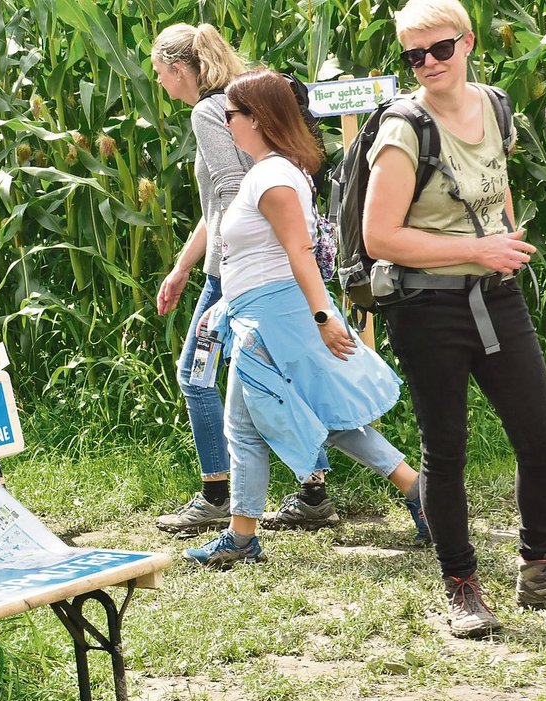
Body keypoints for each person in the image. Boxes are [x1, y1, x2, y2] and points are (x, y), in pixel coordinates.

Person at [183, 68, 429, 569]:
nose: (225, 123)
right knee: (303, 417)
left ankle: (242, 538)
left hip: (279, 318)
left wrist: (322, 316)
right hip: (263, 313)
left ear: (258, 119)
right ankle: (416, 490)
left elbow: (298, 250)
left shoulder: (273, 176)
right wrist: (228, 304)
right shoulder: (271, 172)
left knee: (258, 424)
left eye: (230, 114)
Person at [364, 0, 546, 636]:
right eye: (413, 56)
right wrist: (475, 248)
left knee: (542, 435)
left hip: (495, 294)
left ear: (468, 42)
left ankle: (539, 565)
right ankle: (461, 584)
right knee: (446, 450)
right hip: (426, 304)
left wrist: (501, 232)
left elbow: (495, 181)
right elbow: (379, 237)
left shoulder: (496, 105)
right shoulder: (402, 128)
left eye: (439, 49)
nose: (427, 64)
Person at [151, 25, 339, 536]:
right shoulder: (234, 105)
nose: (159, 82)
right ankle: (313, 490)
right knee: (287, 375)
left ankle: (216, 494)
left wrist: (222, 273)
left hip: (236, 274)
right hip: (264, 266)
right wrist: (184, 265)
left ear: (179, 68)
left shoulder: (206, 112)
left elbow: (234, 191)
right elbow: (220, 204)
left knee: (195, 373)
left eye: (160, 71)